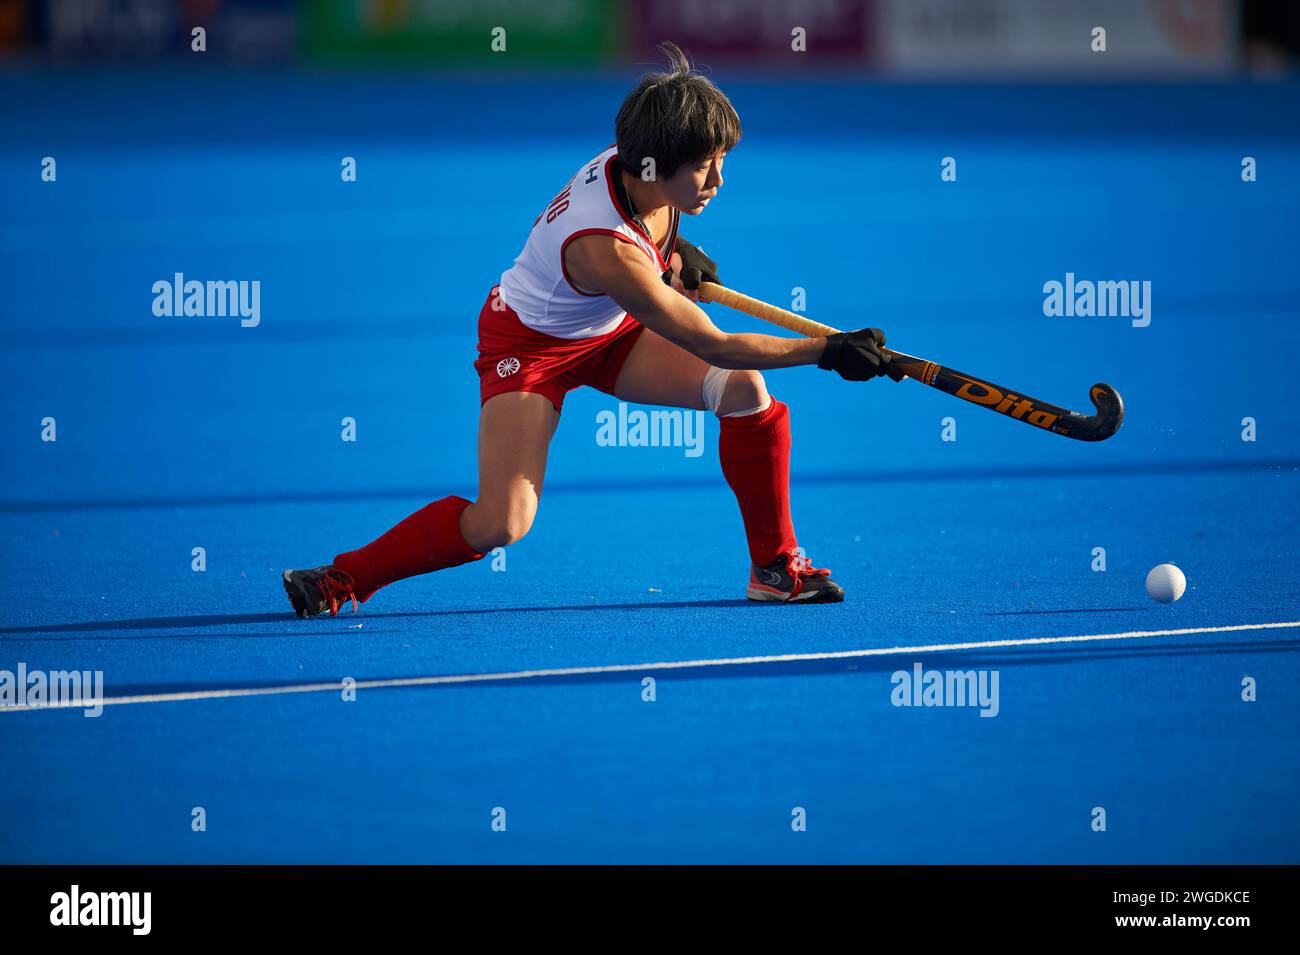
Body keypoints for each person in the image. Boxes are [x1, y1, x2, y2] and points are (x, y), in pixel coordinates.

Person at [283, 43, 900, 618]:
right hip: (528, 349)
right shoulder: (607, 251)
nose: (717, 182)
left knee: (744, 391)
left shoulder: (637, 166)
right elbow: (712, 341)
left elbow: (657, 239)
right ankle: (342, 579)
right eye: (705, 168)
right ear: (656, 166)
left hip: (610, 331)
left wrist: (677, 256)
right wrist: (826, 350)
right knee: (502, 522)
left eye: (721, 162)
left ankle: (774, 569)